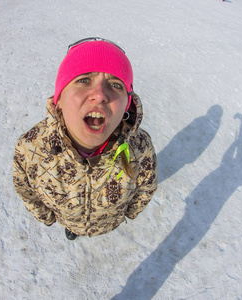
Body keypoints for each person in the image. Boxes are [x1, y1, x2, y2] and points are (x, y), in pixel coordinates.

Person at [13, 37, 157, 240]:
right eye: (83, 80)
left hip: (108, 223)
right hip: (69, 220)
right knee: (73, 228)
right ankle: (73, 229)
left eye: (115, 85)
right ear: (59, 100)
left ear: (126, 105)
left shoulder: (140, 148)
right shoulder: (30, 148)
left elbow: (146, 187)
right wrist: (47, 217)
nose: (99, 95)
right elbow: (25, 189)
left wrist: (128, 214)